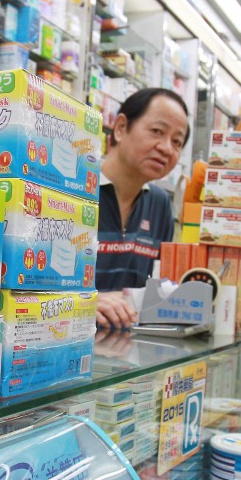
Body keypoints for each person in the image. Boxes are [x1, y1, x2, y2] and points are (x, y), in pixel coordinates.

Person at [96, 88, 190, 329]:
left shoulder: (160, 206)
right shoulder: (71, 188)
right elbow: (25, 283)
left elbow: (156, 294)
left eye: (177, 142)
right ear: (120, 128)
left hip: (127, 353)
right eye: (157, 132)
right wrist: (86, 303)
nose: (167, 148)